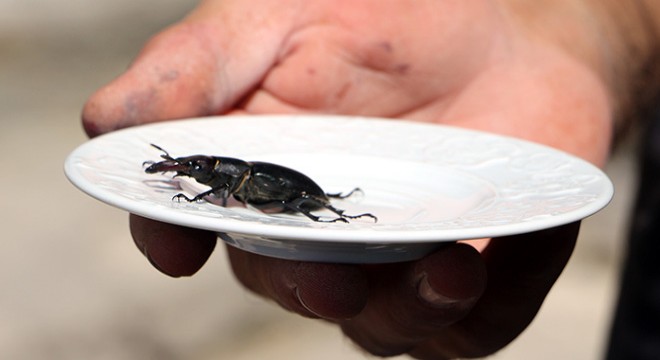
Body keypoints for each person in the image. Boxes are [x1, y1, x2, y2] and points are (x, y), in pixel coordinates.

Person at [81, 1, 660, 358]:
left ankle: (335, 208)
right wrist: (601, 24)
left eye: (204, 170)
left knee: (302, 207)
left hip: (298, 190)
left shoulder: (245, 184)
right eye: (202, 170)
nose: (200, 173)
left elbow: (262, 196)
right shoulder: (229, 176)